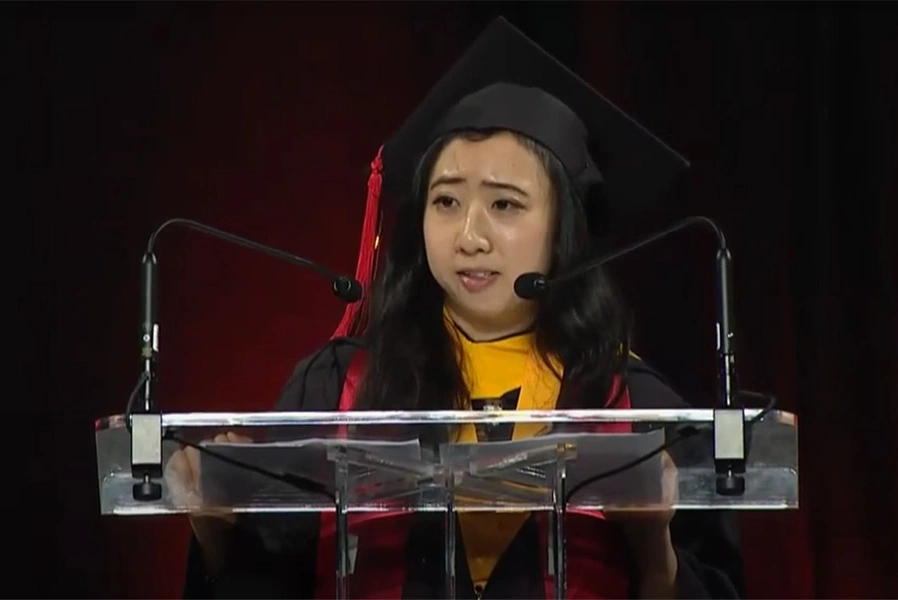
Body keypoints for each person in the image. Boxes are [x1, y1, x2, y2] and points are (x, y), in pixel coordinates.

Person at [172, 17, 745, 599]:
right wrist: (215, 528)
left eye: (505, 203)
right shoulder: (337, 387)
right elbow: (264, 582)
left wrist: (655, 552)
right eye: (445, 200)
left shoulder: (637, 406)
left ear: (563, 230)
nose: (470, 236)